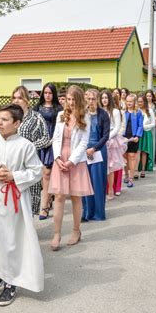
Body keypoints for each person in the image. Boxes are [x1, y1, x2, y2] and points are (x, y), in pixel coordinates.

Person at [0, 104, 44, 306]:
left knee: (10, 242)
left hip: (14, 200)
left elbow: (36, 171)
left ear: (17, 123)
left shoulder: (26, 145)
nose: (0, 123)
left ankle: (10, 282)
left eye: (5, 120)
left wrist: (13, 176)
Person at [48, 85, 93, 250]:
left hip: (76, 160)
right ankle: (56, 234)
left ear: (79, 100)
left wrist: (71, 161)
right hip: (61, 158)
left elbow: (84, 142)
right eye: (68, 99)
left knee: (75, 197)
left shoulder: (85, 117)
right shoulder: (61, 115)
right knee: (59, 197)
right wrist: (58, 158)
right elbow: (56, 138)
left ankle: (76, 231)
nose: (71, 102)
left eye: (74, 99)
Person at [11, 86, 51, 215]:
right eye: (14, 98)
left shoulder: (36, 118)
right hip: (11, 162)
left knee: (28, 200)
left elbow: (46, 138)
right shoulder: (9, 116)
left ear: (27, 100)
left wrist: (31, 146)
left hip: (29, 163)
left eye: (20, 98)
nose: (16, 101)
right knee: (12, 199)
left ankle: (28, 231)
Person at [33, 83, 63, 220]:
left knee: (47, 173)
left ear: (54, 94)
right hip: (39, 142)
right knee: (39, 175)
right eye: (45, 93)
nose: (47, 95)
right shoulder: (37, 108)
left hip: (52, 142)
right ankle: (48, 197)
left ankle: (44, 207)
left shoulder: (58, 109)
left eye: (50, 93)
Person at [82, 89, 110, 221]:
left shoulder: (103, 115)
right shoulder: (82, 115)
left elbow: (106, 136)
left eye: (93, 99)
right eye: (88, 99)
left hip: (98, 150)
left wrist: (94, 148)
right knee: (85, 182)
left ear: (97, 100)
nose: (91, 102)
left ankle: (98, 213)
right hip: (83, 150)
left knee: (97, 182)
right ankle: (86, 212)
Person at [99, 90, 125, 201]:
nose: (104, 100)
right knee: (101, 167)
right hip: (100, 140)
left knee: (110, 167)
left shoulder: (114, 111)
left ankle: (111, 190)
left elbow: (117, 127)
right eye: (102, 98)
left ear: (109, 99)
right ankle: (102, 189)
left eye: (106, 98)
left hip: (111, 140)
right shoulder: (99, 111)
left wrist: (107, 137)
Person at [123, 94, 143, 187]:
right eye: (127, 101)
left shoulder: (138, 112)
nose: (129, 103)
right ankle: (126, 174)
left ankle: (131, 178)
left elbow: (140, 125)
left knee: (132, 156)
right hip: (123, 137)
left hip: (134, 137)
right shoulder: (123, 112)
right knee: (124, 157)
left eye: (130, 101)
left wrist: (138, 136)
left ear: (134, 102)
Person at [137, 95, 155, 177]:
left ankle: (143, 169)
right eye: (138, 101)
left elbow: (153, 123)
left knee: (144, 152)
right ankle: (136, 169)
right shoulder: (136, 110)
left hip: (146, 132)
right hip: (137, 133)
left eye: (141, 101)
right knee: (137, 151)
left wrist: (144, 127)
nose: (140, 103)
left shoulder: (150, 111)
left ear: (144, 102)